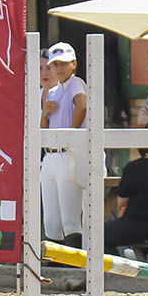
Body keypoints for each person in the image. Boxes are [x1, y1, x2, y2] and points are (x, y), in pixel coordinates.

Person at [41, 41, 88, 248]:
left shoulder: (76, 82)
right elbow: (43, 128)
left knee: (70, 220)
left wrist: (71, 134)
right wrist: (45, 112)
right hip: (51, 154)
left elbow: (82, 106)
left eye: (63, 63)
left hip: (67, 153)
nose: (59, 68)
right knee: (51, 221)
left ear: (74, 64)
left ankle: (74, 263)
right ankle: (57, 264)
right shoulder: (52, 91)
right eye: (55, 64)